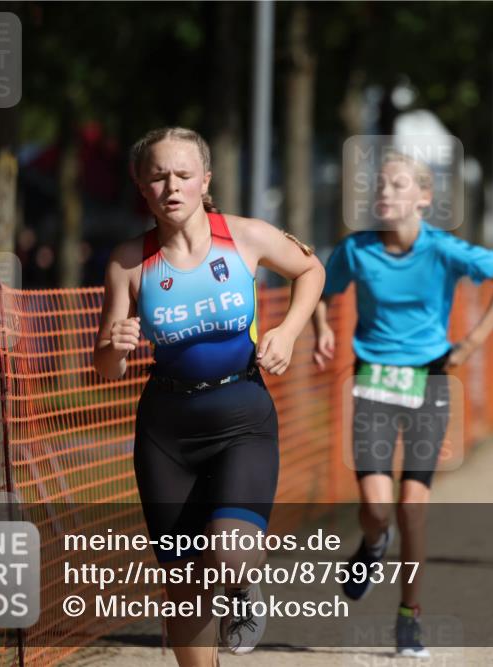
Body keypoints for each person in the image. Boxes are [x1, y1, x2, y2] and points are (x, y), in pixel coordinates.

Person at [93, 127, 324, 665]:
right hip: (167, 432)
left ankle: (243, 587)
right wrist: (115, 347)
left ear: (205, 180)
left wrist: (289, 332)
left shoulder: (244, 236)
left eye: (183, 174)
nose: (171, 186)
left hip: (241, 415)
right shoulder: (128, 261)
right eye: (158, 176)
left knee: (230, 553)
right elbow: (104, 367)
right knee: (184, 584)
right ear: (142, 186)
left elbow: (311, 268)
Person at [311, 151, 493, 657]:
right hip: (372, 381)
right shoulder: (356, 249)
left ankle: (409, 616)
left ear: (425, 197)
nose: (385, 193)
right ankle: (372, 544)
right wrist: (321, 328)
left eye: (398, 184)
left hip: (429, 384)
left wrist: (471, 343)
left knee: (412, 507)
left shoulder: (443, 248)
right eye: (380, 185)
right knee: (376, 507)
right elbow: (319, 288)